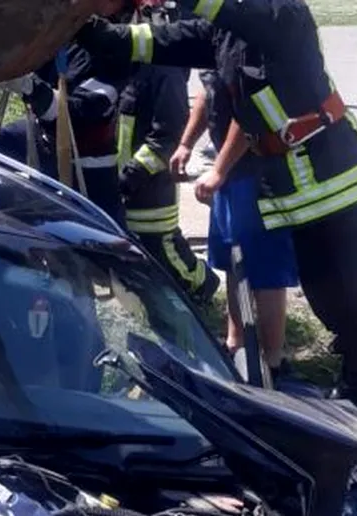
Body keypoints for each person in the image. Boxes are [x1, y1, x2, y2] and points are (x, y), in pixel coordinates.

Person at [75, 0, 357, 422]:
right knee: (326, 290)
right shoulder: (225, 33)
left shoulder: (282, 16)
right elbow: (159, 42)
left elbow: (231, 14)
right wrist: (82, 28)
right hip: (294, 194)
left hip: (338, 180)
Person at [175, 68, 299, 386]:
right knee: (234, 260)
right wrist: (186, 143)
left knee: (266, 271)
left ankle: (273, 361)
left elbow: (251, 114)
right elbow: (208, 93)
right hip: (231, 172)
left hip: (261, 173)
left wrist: (218, 170)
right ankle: (236, 344)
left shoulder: (248, 41)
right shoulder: (215, 38)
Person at [0, 0, 135, 229]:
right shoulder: (63, 34)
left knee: (101, 236)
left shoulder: (120, 49)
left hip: (88, 164)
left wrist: (30, 88)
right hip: (44, 139)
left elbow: (80, 114)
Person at [117, 5, 218, 307]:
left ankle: (202, 286)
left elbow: (169, 135)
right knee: (142, 253)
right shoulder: (129, 64)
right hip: (128, 183)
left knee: (164, 249)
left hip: (150, 186)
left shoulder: (165, 68)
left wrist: (133, 172)